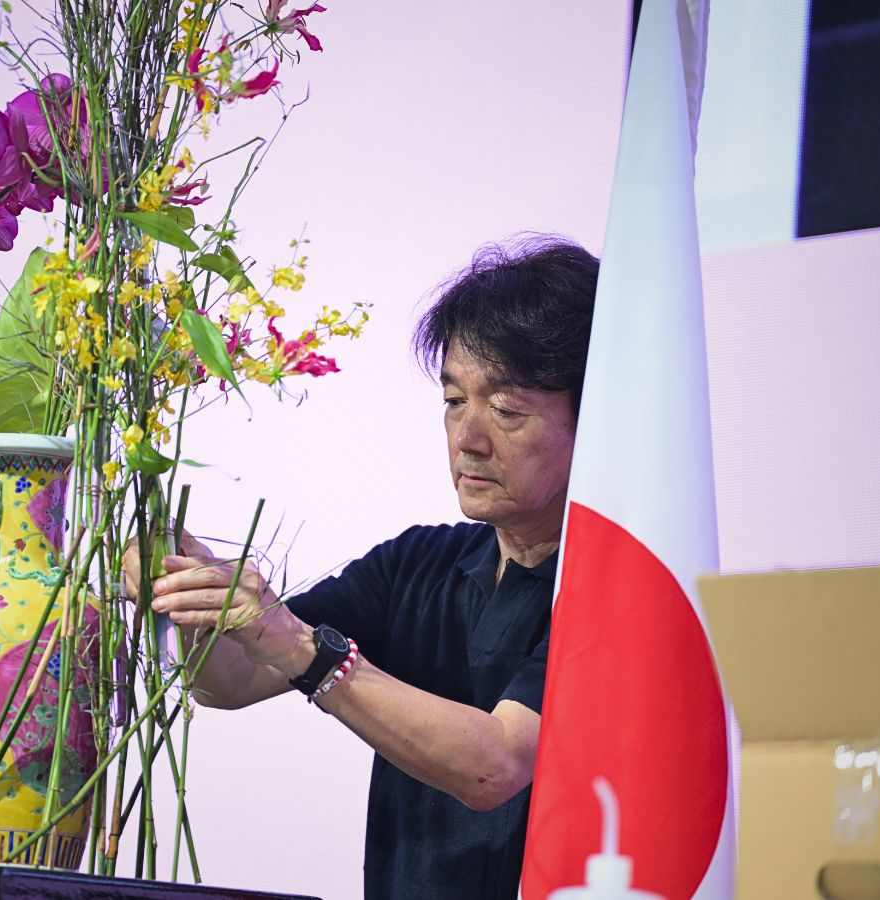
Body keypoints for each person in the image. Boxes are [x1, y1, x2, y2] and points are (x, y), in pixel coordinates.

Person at [125, 234, 599, 899]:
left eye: (506, 409)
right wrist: (188, 585)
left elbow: (494, 764)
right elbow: (225, 684)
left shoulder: (609, 588)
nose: (468, 437)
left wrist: (302, 649)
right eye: (454, 400)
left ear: (596, 417)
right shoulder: (416, 564)